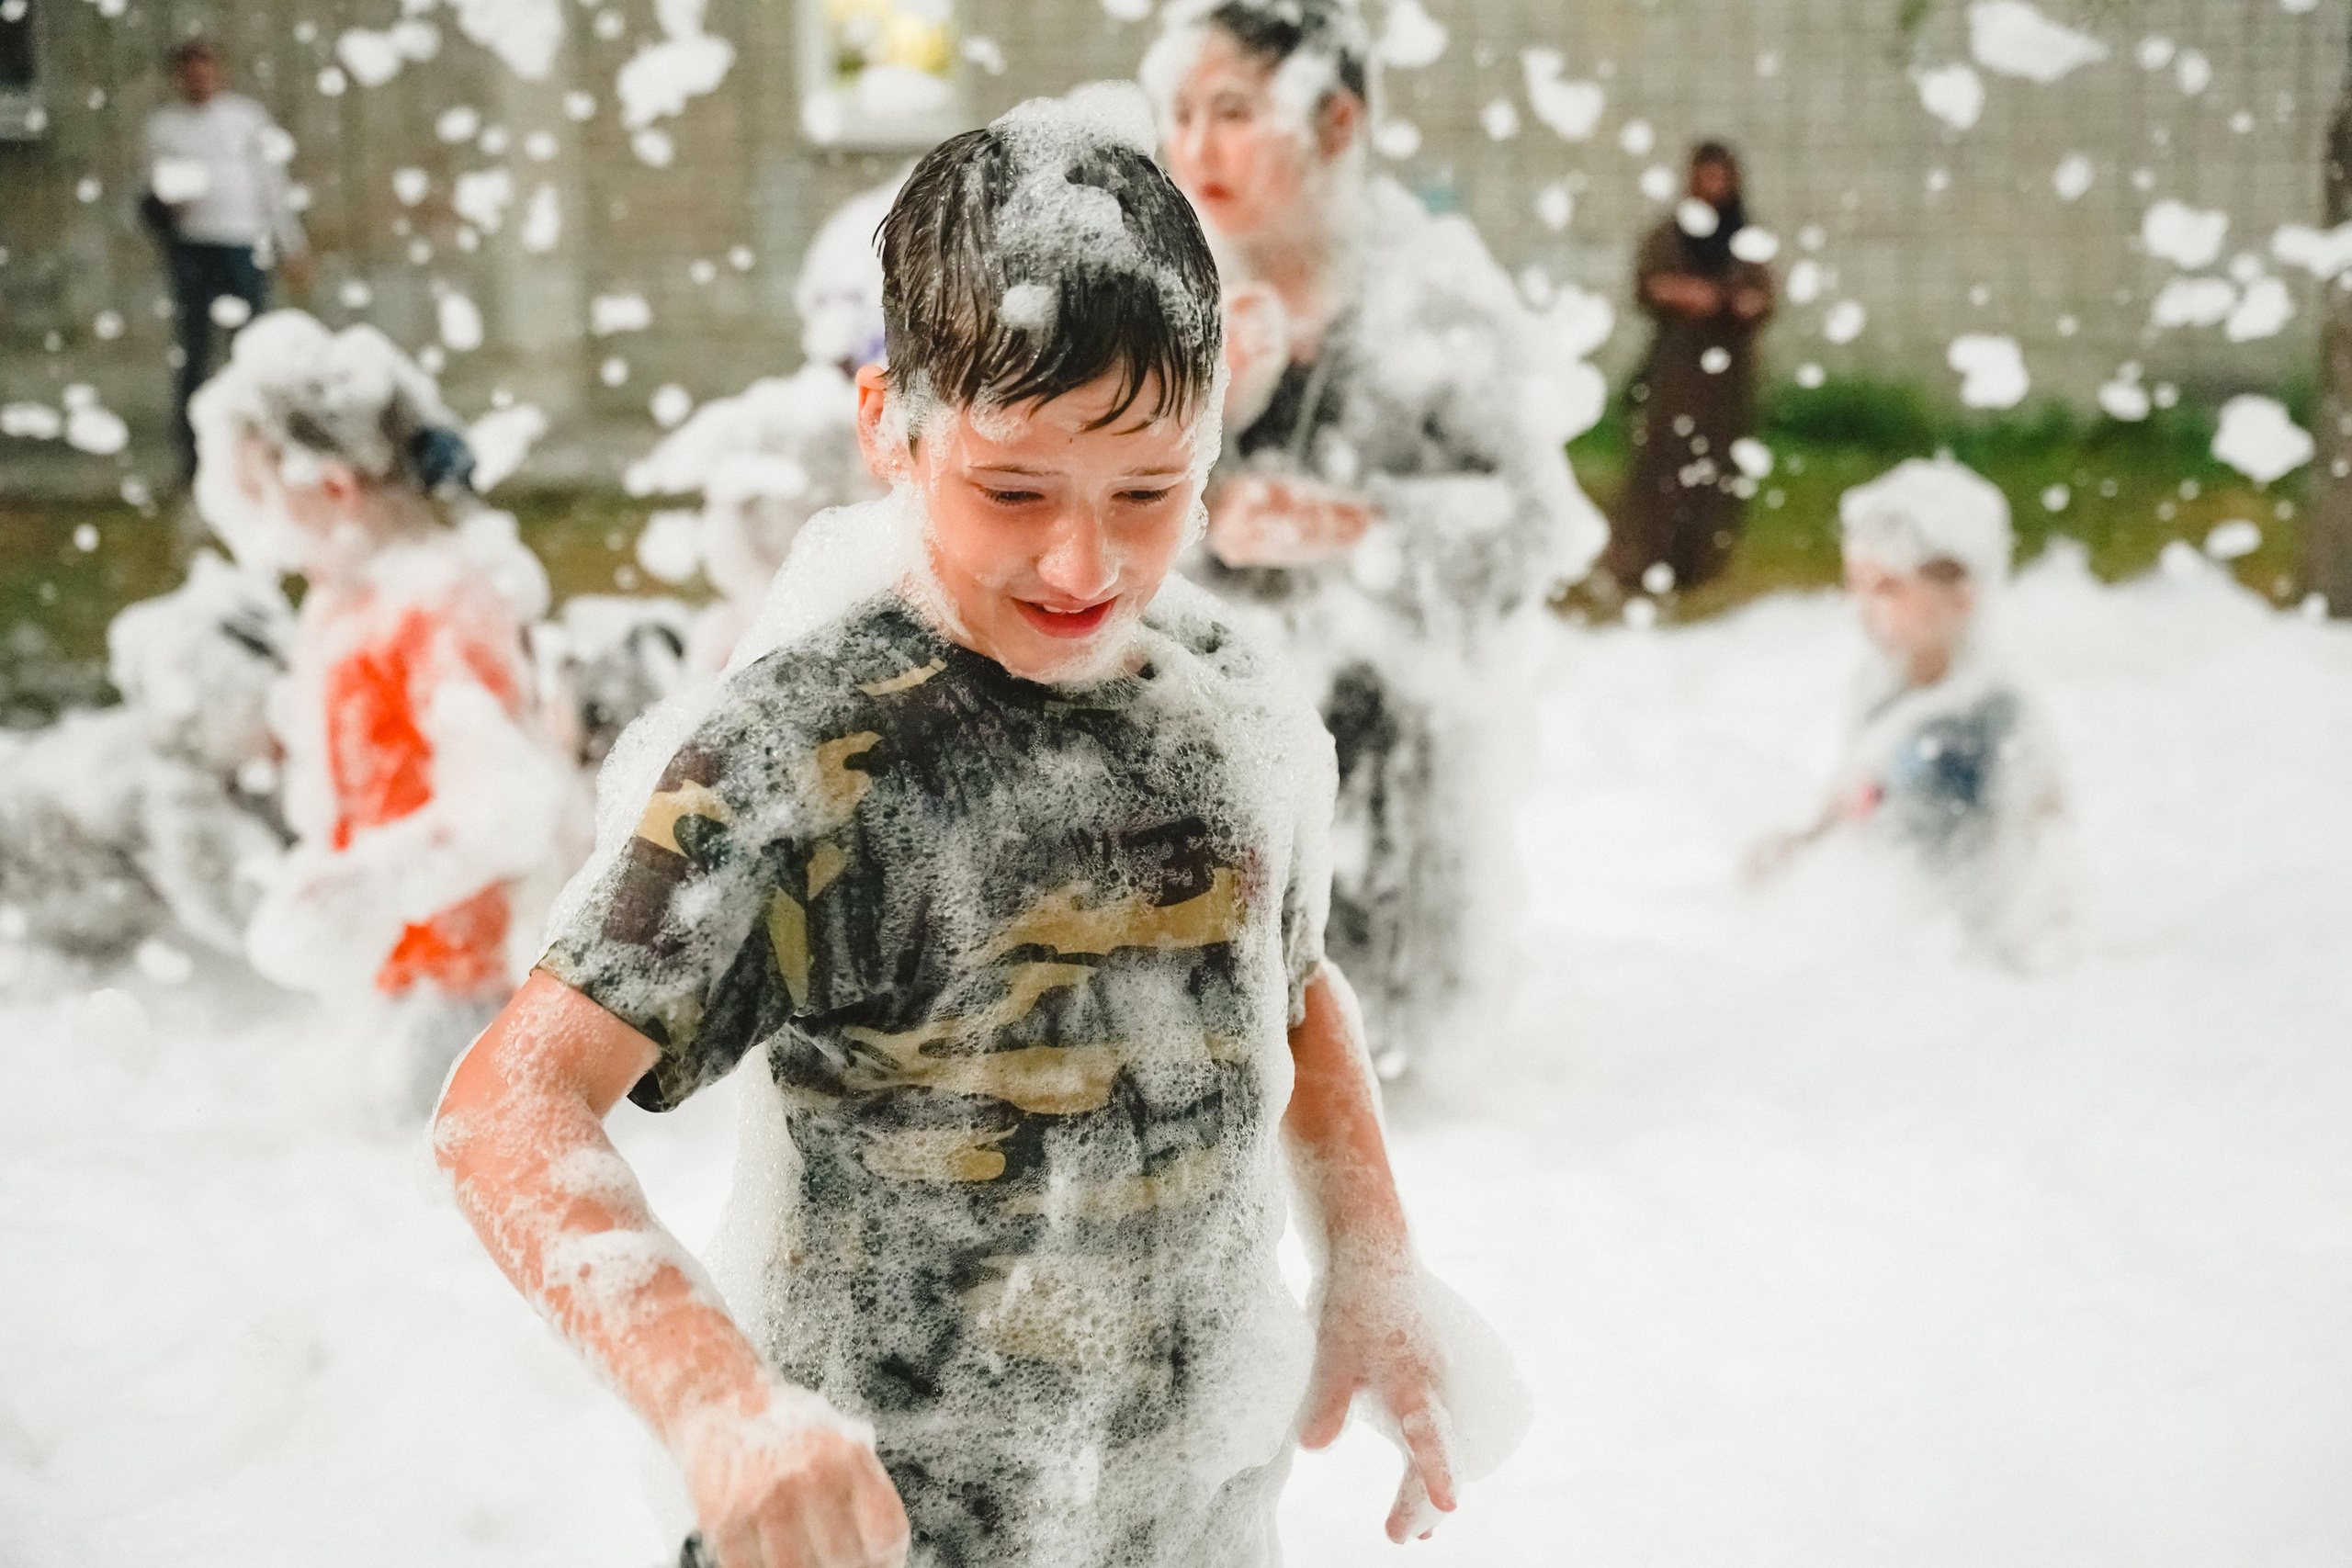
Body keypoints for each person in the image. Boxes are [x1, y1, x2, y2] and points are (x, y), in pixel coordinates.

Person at [434, 93, 1511, 1568]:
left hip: (1186, 1517)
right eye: (1014, 488)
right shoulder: (803, 756)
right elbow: (506, 1109)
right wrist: (719, 1404)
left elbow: (1292, 987)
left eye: (1150, 490)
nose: (1086, 558)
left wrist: (1373, 1260)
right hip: (879, 1530)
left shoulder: (1227, 705)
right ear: (890, 424)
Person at [1143, 0, 1609, 1077]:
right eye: (1179, 111)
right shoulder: (1169, 293)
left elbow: (1543, 525)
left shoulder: (1430, 305)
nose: (1197, 147)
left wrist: (1360, 525)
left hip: (1398, 779)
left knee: (1380, 1098)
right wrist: (1208, 473)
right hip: (1203, 762)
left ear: (1336, 121)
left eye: (1234, 111)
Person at [190, 310, 581, 1111]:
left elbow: (509, 809)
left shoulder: (443, 600)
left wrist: (354, 886)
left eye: (262, 499)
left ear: (333, 485)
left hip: (474, 989)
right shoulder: (342, 605)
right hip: (391, 982)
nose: (256, 535)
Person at [1751, 457, 2067, 958]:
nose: (1865, 608)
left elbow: (2045, 833)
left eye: (1889, 589)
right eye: (1857, 586)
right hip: (1901, 936)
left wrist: (2045, 933)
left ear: (1962, 597)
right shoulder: (1883, 688)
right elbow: (1864, 788)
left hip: (1967, 950)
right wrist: (1803, 847)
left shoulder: (1990, 714)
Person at [0, 548, 293, 963]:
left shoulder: (186, 752)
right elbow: (251, 926)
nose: (292, 734)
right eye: (274, 712)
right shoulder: (167, 792)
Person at [1604, 140, 1776, 597]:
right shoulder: (1671, 235)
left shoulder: (1745, 239)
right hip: (1678, 369)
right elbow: (1650, 285)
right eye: (1706, 176)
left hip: (1727, 378)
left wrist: (1737, 303)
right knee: (1664, 462)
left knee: (1716, 467)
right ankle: (1645, 561)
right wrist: (1687, 295)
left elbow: (1764, 296)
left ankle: (1699, 563)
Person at [145, 38, 311, 482]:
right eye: (189, 72)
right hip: (193, 247)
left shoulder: (246, 119)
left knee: (251, 350)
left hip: (243, 244)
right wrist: (167, 207)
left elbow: (272, 185)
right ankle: (196, 461)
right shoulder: (165, 128)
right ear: (179, 77)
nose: (198, 79)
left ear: (217, 72)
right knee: (194, 353)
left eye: (205, 69)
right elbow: (154, 196)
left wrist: (290, 242)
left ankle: (260, 453)